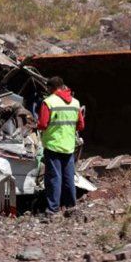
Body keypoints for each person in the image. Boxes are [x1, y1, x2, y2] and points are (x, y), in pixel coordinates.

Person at [38, 76, 85, 215]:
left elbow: (42, 124)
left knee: (54, 177)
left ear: (50, 88)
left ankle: (53, 209)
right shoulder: (75, 103)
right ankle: (71, 206)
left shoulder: (48, 102)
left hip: (53, 145)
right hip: (69, 146)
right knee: (68, 177)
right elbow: (81, 125)